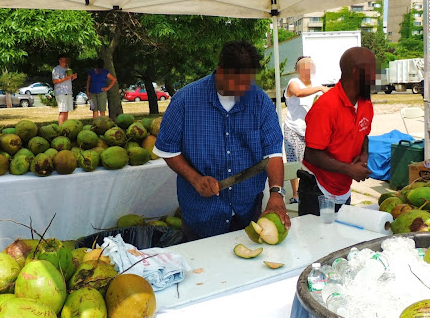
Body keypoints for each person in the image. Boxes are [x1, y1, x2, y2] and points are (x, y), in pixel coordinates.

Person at [153, 40, 291, 242]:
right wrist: (195, 179)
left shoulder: (259, 100)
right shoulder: (185, 100)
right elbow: (168, 149)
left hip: (248, 209)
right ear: (221, 72)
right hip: (201, 213)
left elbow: (272, 152)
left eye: (249, 83)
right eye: (239, 83)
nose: (244, 91)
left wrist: (277, 192)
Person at [297, 47, 376, 216]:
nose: (375, 76)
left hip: (343, 188)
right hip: (317, 189)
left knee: (341, 239)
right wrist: (350, 169)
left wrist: (364, 155)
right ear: (356, 72)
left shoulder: (366, 104)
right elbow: (311, 154)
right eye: (372, 69)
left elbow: (364, 135)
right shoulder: (326, 106)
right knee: (317, 240)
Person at [284, 56, 330, 204]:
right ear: (298, 69)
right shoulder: (293, 83)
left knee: (311, 162)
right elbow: (298, 93)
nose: (308, 69)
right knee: (295, 162)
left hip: (310, 130)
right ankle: (296, 195)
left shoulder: (316, 83)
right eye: (304, 66)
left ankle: (313, 190)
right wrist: (320, 89)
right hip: (293, 129)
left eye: (310, 66)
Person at [51, 53, 77, 126]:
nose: (65, 61)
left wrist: (72, 78)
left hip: (68, 91)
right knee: (62, 111)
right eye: (63, 60)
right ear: (59, 60)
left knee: (66, 111)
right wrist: (67, 78)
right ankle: (61, 127)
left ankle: (65, 127)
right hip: (61, 92)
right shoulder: (56, 69)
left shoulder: (67, 69)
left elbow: (67, 81)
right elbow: (55, 81)